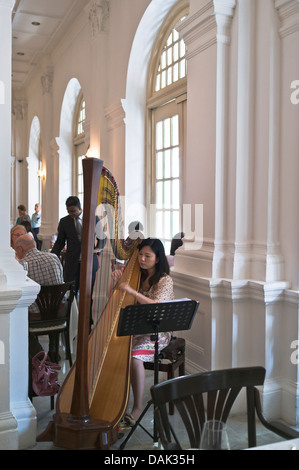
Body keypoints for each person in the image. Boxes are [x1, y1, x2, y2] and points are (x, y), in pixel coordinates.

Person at [115, 237, 174, 426]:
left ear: (157, 258)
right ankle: (116, 402)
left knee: (134, 357)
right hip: (137, 327)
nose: (142, 259)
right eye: (140, 254)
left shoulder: (164, 280)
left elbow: (157, 306)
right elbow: (115, 299)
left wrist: (133, 292)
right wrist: (115, 282)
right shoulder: (135, 275)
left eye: (147, 255)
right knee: (115, 350)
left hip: (159, 330)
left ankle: (138, 407)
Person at [14, 234, 65, 360]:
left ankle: (40, 354)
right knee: (52, 306)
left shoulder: (22, 265)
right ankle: (53, 349)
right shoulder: (54, 258)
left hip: (36, 316)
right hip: (59, 311)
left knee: (17, 320)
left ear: (20, 249)